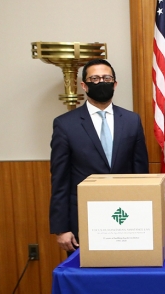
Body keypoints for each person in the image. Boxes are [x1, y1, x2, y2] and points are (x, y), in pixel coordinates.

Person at [50, 59, 149, 252]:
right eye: (94, 78)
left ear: (115, 84)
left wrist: (144, 216)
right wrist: (61, 229)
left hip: (127, 217)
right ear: (84, 86)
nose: (101, 82)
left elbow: (141, 174)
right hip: (84, 218)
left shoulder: (132, 121)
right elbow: (59, 179)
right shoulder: (65, 124)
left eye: (106, 78)